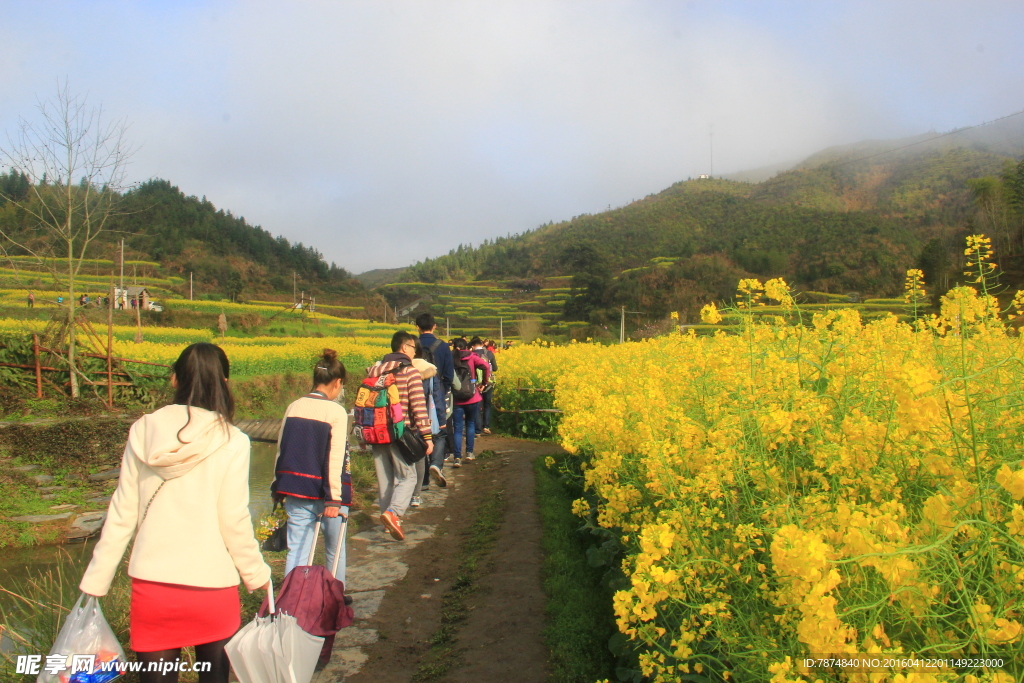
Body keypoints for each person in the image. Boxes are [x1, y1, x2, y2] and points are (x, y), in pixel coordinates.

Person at [79, 343, 271, 683]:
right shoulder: (233, 440)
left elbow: (123, 511)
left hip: (153, 589)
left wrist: (96, 581)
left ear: (173, 380)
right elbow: (234, 519)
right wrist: (257, 575)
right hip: (213, 588)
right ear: (224, 383)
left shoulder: (143, 429)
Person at [271, 349, 351, 579]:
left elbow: (281, 450)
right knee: (334, 552)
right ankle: (336, 597)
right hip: (328, 495)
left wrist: (276, 486)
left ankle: (291, 603)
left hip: (295, 490)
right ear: (337, 383)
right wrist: (334, 498)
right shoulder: (336, 411)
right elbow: (336, 458)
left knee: (297, 551)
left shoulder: (294, 406)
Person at [366, 331, 433, 541]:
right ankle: (393, 513)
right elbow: (419, 408)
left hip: (376, 432)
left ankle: (387, 522)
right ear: (404, 348)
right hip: (399, 433)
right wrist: (427, 437)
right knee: (408, 477)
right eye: (414, 348)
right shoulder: (410, 372)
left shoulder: (375, 371)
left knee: (385, 479)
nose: (415, 353)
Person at [416, 313, 452, 490]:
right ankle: (436, 464)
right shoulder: (443, 347)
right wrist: (441, 391)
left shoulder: (412, 346)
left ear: (417, 327)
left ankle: (422, 482)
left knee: (420, 434)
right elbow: (449, 375)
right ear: (434, 326)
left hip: (413, 397)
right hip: (436, 395)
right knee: (439, 433)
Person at [451, 338, 490, 465]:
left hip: (457, 398)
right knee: (470, 424)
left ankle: (457, 458)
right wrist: (484, 383)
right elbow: (485, 366)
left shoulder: (450, 358)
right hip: (473, 397)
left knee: (457, 428)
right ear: (466, 347)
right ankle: (469, 453)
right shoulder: (472, 356)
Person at [470, 337, 497, 436]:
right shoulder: (489, 353)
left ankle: (477, 429)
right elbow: (495, 368)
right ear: (482, 344)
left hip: (475, 383)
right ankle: (486, 426)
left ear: (472, 346)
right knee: (487, 405)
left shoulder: (472, 354)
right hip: (488, 383)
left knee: (477, 405)